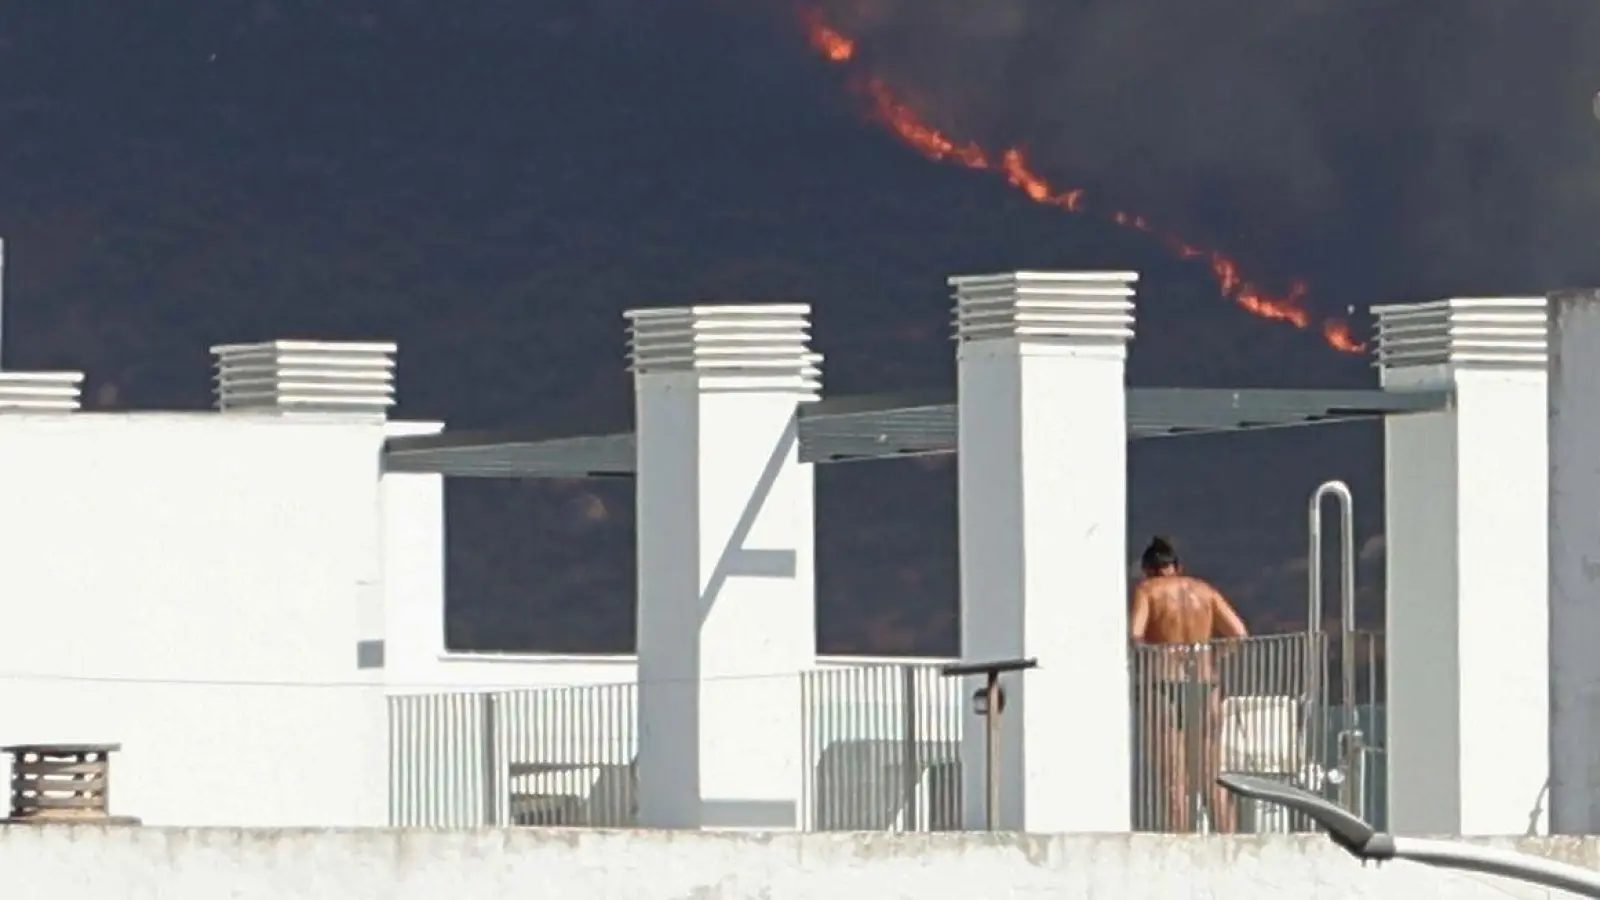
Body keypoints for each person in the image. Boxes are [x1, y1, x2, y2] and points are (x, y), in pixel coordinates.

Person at [1129, 535, 1248, 834]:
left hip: (1163, 683)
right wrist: (1212, 655)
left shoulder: (1147, 591)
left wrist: (1156, 654)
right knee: (1211, 777)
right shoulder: (1204, 591)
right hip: (1205, 683)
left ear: (1147, 570)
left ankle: (1180, 848)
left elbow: (1135, 634)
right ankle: (1228, 846)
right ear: (1177, 567)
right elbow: (1238, 633)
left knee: (1174, 779)